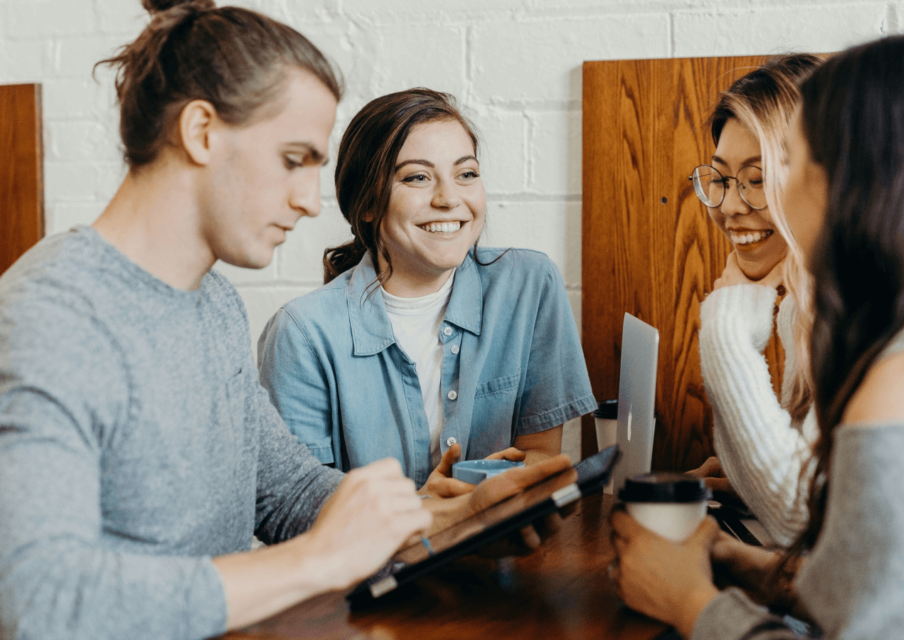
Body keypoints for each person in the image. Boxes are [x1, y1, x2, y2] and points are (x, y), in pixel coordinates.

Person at [0, 2, 570, 638]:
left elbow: (287, 494)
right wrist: (317, 560)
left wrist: (449, 524)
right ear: (201, 132)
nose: (306, 199)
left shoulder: (211, 302)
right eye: (293, 159)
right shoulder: (51, 316)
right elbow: (38, 601)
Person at [611, 33, 904, 639]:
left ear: (858, 178)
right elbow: (895, 588)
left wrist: (691, 604)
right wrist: (749, 568)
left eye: (793, 160)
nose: (747, 201)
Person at [257, 88, 597, 493]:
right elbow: (300, 506)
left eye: (466, 174)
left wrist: (492, 493)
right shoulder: (301, 333)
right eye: (417, 177)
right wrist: (431, 512)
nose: (449, 198)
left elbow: (541, 455)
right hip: (378, 556)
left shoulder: (529, 285)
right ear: (366, 203)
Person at [690, 54, 823, 546]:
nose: (728, 205)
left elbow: (798, 519)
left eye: (758, 177)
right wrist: (747, 477)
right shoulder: (800, 306)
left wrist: (726, 324)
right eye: (722, 178)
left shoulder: (855, 309)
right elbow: (811, 496)